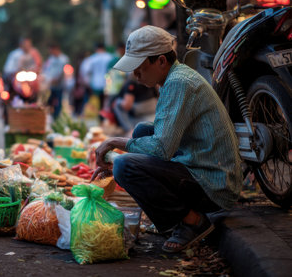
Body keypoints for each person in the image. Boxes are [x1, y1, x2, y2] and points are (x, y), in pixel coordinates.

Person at [91, 25, 243, 253]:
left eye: (140, 68)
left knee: (124, 164)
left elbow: (162, 148)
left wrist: (114, 144)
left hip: (214, 186)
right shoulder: (174, 79)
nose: (136, 75)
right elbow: (163, 141)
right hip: (200, 170)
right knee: (143, 130)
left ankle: (193, 221)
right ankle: (177, 219)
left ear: (161, 61)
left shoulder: (178, 83)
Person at [84, 43, 113, 116]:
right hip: (107, 82)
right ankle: (106, 118)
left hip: (96, 84)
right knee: (107, 102)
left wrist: (88, 83)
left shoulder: (92, 58)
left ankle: (100, 117)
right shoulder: (109, 57)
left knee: (98, 103)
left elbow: (86, 71)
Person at [42, 43, 69, 119]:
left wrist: (58, 79)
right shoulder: (51, 59)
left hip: (60, 84)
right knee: (49, 101)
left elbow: (64, 71)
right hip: (51, 85)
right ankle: (50, 116)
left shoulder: (63, 59)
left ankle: (56, 117)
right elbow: (47, 70)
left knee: (58, 102)